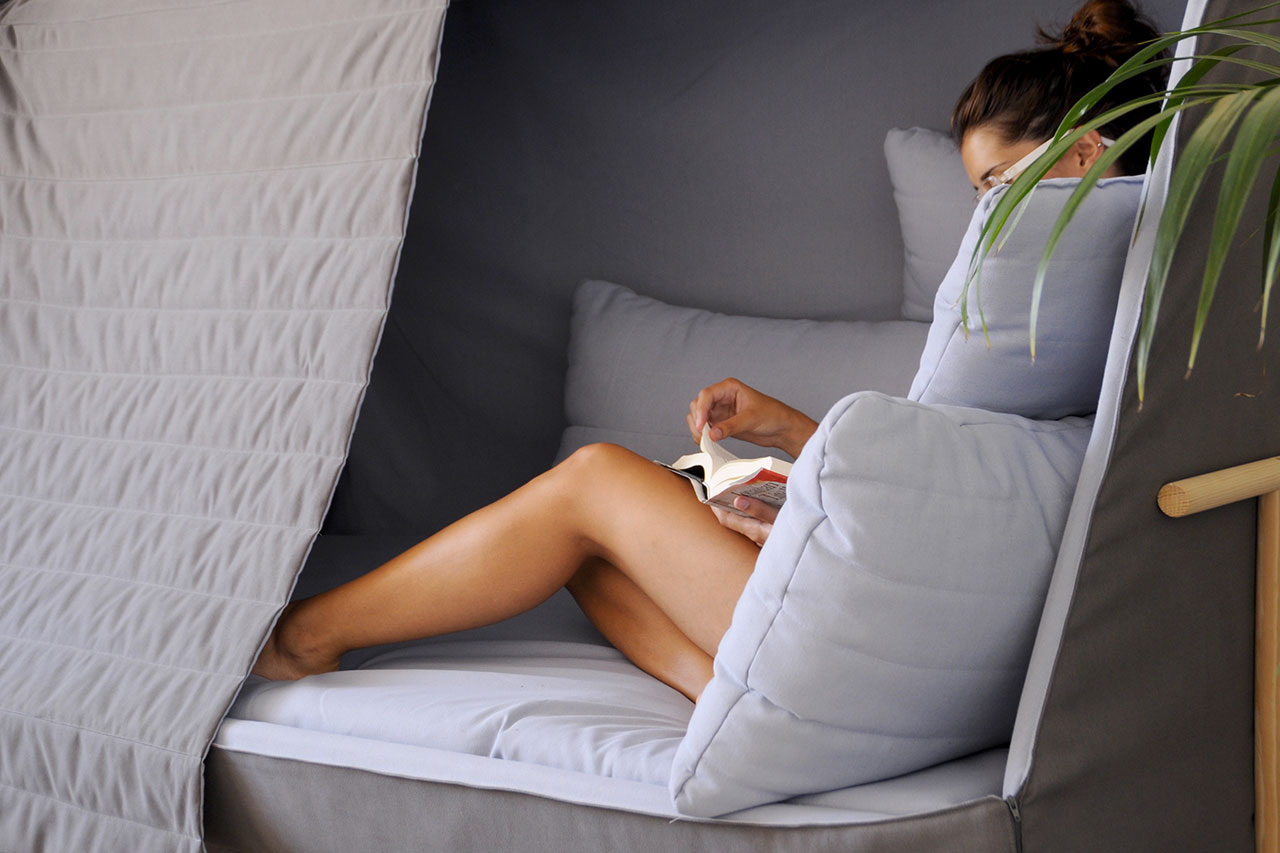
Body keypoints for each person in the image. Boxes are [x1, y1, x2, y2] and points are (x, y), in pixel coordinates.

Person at [251, 0, 1168, 702]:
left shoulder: (1038, 294)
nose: (984, 215)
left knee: (593, 478)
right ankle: (717, 697)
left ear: (1085, 152)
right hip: (906, 617)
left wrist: (806, 502)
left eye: (994, 183)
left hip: (886, 639)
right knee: (609, 534)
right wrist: (793, 442)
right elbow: (964, 486)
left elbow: (961, 499)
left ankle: (300, 638)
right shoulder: (1097, 300)